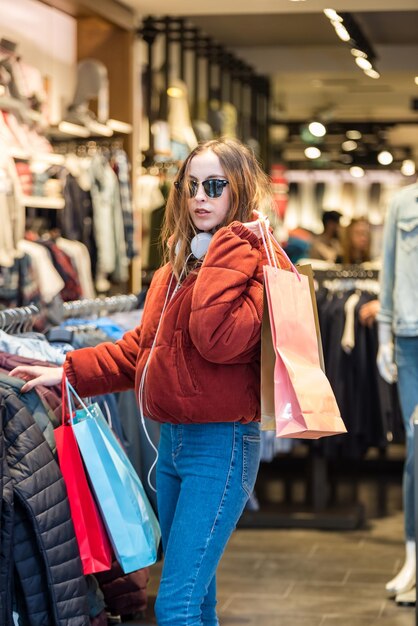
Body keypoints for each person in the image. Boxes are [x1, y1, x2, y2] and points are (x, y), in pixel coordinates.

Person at [10, 137, 291, 626]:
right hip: (174, 445)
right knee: (197, 599)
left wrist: (228, 248)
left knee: (176, 604)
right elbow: (140, 351)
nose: (200, 196)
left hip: (221, 446)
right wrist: (67, 369)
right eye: (191, 185)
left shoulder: (255, 269)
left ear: (239, 191)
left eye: (216, 185)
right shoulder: (173, 270)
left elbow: (215, 338)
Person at [377, 182, 418, 605]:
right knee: (416, 450)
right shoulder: (404, 203)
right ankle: (412, 554)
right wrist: (384, 337)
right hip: (410, 341)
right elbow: (388, 272)